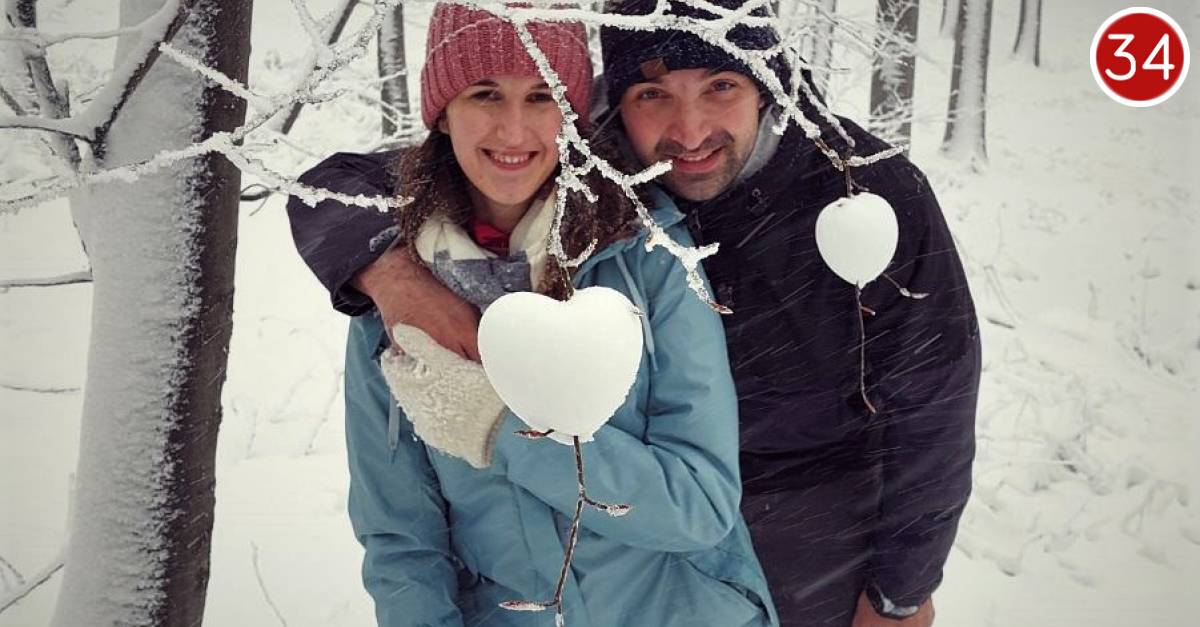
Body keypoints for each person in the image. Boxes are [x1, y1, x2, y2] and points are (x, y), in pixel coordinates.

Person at [286, 1, 980, 625]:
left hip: (807, 536)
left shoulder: (845, 198)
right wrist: (389, 274)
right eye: (653, 93)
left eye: (721, 86)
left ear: (767, 88)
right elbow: (402, 540)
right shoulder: (416, 274)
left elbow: (935, 399)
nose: (690, 129)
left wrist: (901, 590)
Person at [307, 4, 777, 627]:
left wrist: (502, 428)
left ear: (572, 115)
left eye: (540, 96)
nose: (514, 130)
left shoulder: (646, 256)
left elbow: (699, 508)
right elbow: (401, 541)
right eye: (484, 94)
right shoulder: (396, 289)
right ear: (442, 112)